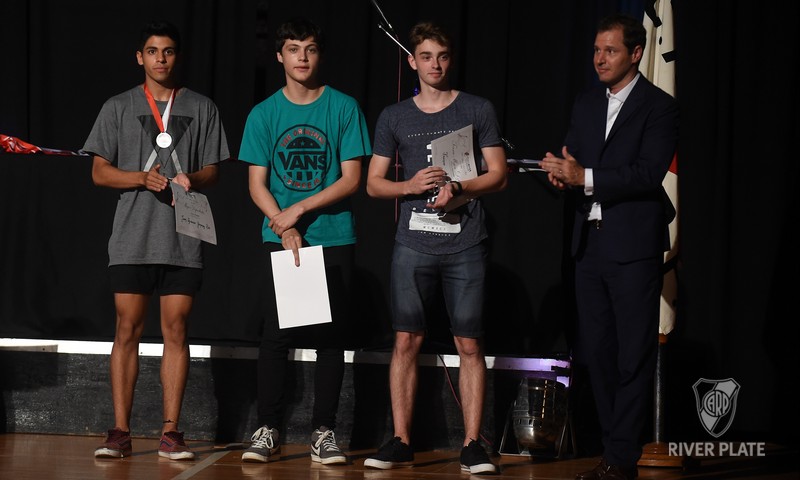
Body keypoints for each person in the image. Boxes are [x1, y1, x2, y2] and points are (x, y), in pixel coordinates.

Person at [363, 21, 507, 476]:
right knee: (406, 338)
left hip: (465, 242)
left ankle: (472, 444)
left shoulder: (476, 108)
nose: (435, 65)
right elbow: (373, 184)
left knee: (469, 342)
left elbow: (499, 174)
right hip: (413, 242)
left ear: (451, 60)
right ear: (412, 61)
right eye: (426, 57)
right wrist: (409, 185)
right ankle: (401, 440)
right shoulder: (394, 116)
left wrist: (459, 187)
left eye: (442, 57)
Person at [540, 13, 678, 480]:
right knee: (596, 353)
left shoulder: (659, 107)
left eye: (611, 50)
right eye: (597, 50)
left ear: (636, 53)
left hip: (633, 247)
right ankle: (612, 449)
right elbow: (573, 158)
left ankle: (621, 459)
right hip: (589, 245)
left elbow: (647, 173)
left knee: (631, 355)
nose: (600, 59)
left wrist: (584, 176)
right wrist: (561, 173)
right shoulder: (585, 103)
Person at [84, 20, 230, 460]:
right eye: (152, 51)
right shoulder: (118, 106)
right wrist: (140, 178)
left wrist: (193, 178)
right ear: (139, 57)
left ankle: (171, 432)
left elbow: (214, 170)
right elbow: (99, 172)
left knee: (176, 330)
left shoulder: (202, 107)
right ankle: (120, 431)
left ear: (176, 56)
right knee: (126, 329)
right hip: (132, 237)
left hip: (184, 236)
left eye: (167, 51)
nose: (160, 58)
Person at [237, 17, 371, 465]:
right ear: (280, 56)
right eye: (293, 49)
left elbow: (351, 179)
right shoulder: (264, 113)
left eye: (310, 49)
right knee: (276, 336)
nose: (302, 57)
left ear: (320, 55)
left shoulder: (343, 107)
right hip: (281, 238)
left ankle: (323, 432)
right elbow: (256, 184)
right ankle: (268, 428)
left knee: (330, 338)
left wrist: (299, 210)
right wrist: (284, 224)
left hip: (333, 236)